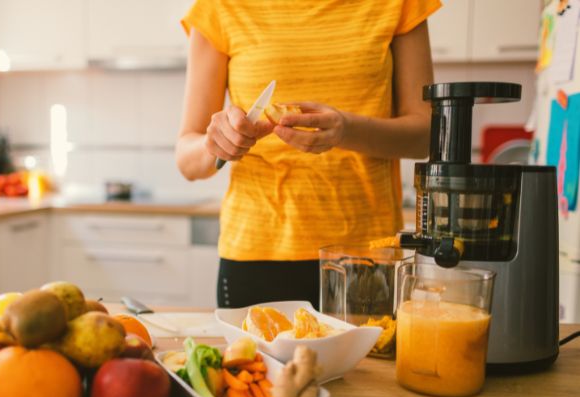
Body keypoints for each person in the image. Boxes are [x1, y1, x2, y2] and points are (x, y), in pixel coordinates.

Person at [176, 0, 440, 309]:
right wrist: (217, 142)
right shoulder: (219, 8)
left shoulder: (398, 4)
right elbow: (187, 160)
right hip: (257, 253)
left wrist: (346, 130)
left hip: (367, 256)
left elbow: (426, 136)